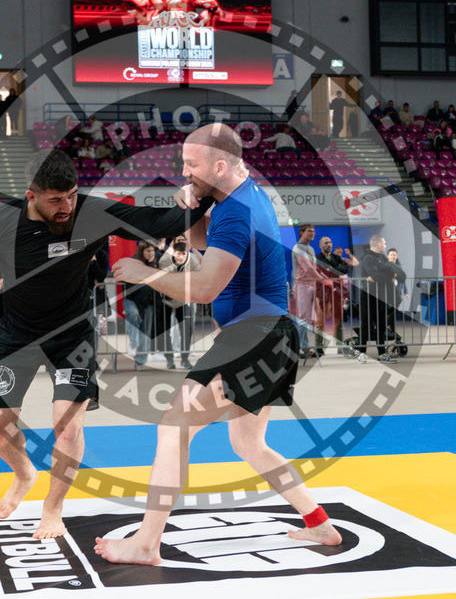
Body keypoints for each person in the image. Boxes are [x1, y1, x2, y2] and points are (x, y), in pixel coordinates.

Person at [0, 149, 213, 538]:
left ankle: (53, 507)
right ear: (31, 196)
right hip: (18, 332)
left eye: (71, 195)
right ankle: (23, 474)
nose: (67, 206)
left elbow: (159, 222)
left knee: (66, 426)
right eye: (56, 199)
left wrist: (197, 195)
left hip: (72, 334)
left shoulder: (90, 211)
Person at [95, 123, 341, 566]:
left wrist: (142, 274)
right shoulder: (239, 198)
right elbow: (211, 244)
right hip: (271, 334)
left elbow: (206, 288)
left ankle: (146, 543)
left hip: (256, 336)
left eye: (191, 165)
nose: (183, 172)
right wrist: (189, 214)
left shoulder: (236, 211)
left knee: (173, 426)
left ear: (220, 165)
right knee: (250, 444)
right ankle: (319, 525)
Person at [354, 236, 405, 363]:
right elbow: (377, 275)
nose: (385, 245)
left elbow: (395, 274)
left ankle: (382, 353)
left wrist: (388, 275)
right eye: (384, 243)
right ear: (377, 244)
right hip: (368, 295)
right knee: (366, 324)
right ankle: (362, 353)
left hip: (381, 296)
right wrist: (388, 275)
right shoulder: (367, 258)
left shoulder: (382, 258)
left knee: (381, 325)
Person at [158, 239, 202, 369]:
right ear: (173, 253)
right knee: (164, 331)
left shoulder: (193, 260)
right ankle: (169, 359)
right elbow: (162, 281)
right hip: (166, 300)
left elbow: (199, 276)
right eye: (178, 254)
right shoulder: (164, 261)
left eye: (183, 254)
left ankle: (184, 359)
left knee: (187, 331)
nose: (181, 257)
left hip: (184, 301)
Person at [125, 241, 162, 367]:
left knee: (145, 332)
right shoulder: (133, 261)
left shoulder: (156, 262)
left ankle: (140, 361)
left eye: (152, 251)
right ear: (142, 251)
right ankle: (132, 342)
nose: (151, 253)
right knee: (134, 314)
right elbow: (132, 283)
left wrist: (152, 263)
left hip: (149, 301)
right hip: (132, 299)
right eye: (148, 251)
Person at [291, 224, 324, 357]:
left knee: (308, 318)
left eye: (314, 231)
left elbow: (313, 268)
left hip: (311, 284)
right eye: (309, 231)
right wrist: (324, 280)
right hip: (302, 285)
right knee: (303, 317)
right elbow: (308, 268)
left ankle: (303, 346)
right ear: (302, 232)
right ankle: (300, 347)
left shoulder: (309, 248)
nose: (313, 233)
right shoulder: (299, 247)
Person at [315, 236, 352, 354]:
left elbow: (345, 268)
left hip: (336, 293)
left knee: (338, 321)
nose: (329, 244)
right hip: (322, 294)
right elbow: (319, 273)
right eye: (326, 243)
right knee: (320, 322)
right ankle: (319, 347)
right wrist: (336, 271)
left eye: (330, 242)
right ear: (320, 246)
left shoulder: (337, 258)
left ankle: (340, 345)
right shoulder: (316, 259)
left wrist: (331, 271)